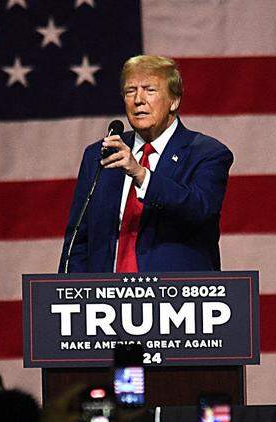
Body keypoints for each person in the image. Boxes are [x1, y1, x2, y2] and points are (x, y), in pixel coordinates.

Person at [59, 54, 234, 273]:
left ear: (174, 100)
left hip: (177, 298)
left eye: (150, 90)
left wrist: (141, 175)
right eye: (130, 91)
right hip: (106, 299)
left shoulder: (207, 153)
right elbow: (78, 239)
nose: (138, 100)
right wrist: (70, 293)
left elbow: (199, 209)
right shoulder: (100, 154)